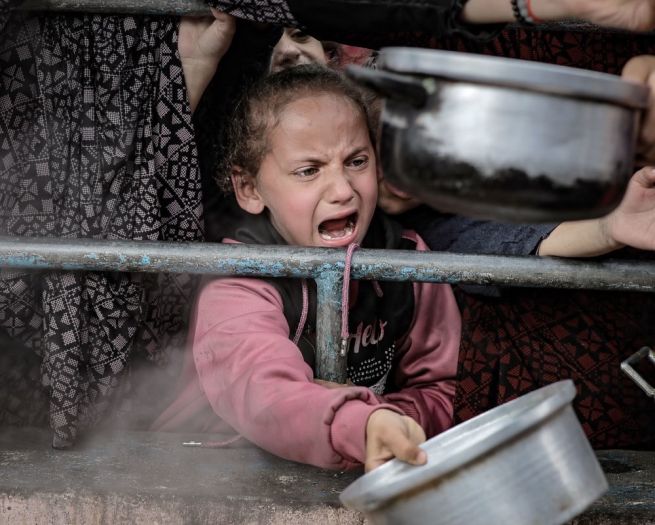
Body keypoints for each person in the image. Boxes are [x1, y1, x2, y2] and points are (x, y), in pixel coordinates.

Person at [152, 65, 461, 471]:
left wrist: (386, 422)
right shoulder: (238, 281)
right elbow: (264, 393)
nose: (343, 190)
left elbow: (442, 387)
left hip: (352, 455)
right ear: (249, 189)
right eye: (309, 170)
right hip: (209, 470)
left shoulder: (406, 258)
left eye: (356, 161)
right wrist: (360, 423)